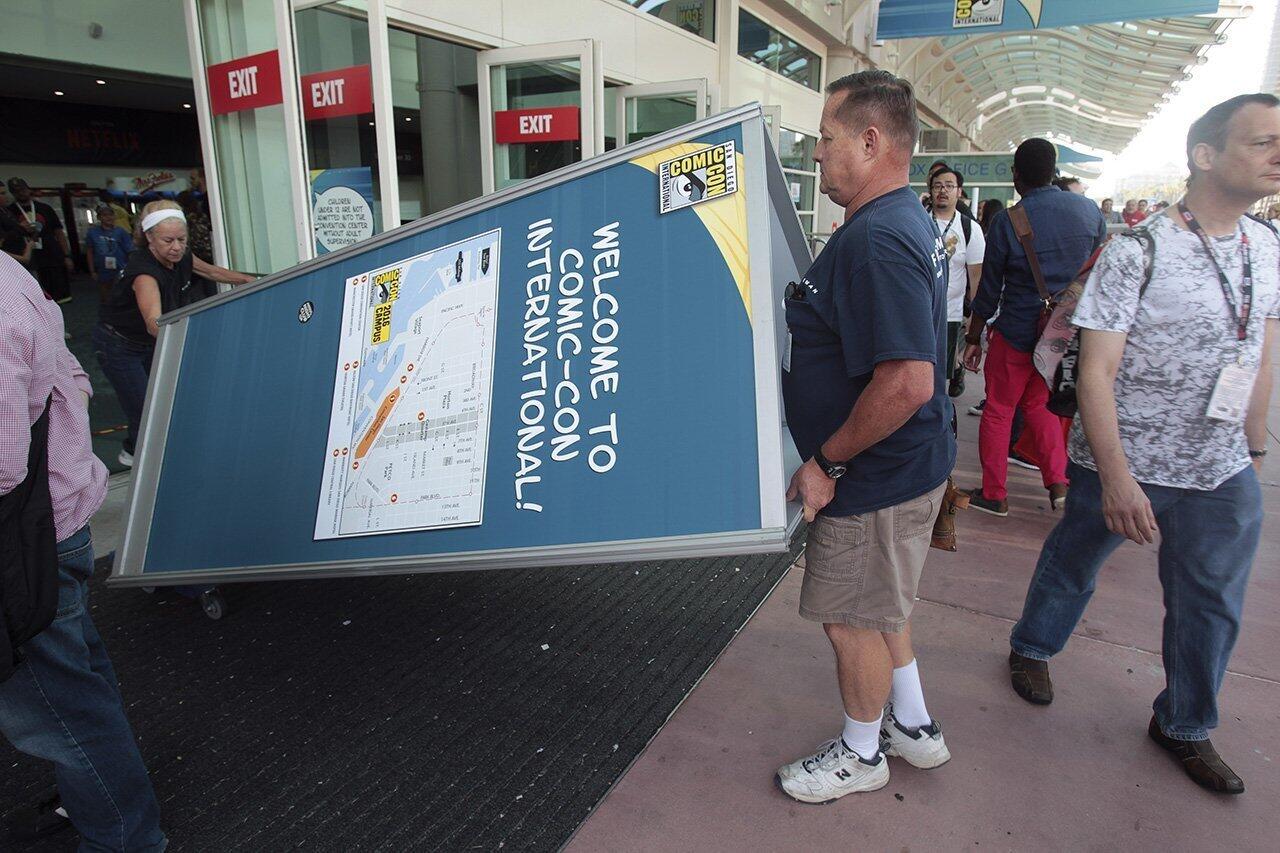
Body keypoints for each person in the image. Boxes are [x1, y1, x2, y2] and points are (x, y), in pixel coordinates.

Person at [1008, 93, 1280, 795]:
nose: (1277, 154)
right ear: (1206, 155)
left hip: (1219, 469)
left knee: (1211, 599)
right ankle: (1034, 645)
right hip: (1124, 460)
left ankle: (1185, 722)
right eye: (1261, 142)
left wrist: (1253, 449)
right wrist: (1121, 479)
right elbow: (1095, 370)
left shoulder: (1268, 246)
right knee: (1075, 559)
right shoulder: (1139, 248)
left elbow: (1261, 352)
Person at [776, 70, 955, 804]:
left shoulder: (879, 238)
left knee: (852, 617)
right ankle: (911, 724)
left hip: (874, 476)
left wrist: (824, 461)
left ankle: (861, 751)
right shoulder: (894, 221)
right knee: (888, 601)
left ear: (871, 140)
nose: (816, 153)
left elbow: (908, 381)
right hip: (904, 469)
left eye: (826, 136)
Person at [0, 250, 167, 850]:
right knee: (78, 683)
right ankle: (100, 802)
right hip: (55, 521)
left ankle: (123, 836)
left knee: (55, 709)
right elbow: (69, 376)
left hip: (24, 542)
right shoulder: (10, 273)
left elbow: (1, 463)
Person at [962, 138, 1106, 516]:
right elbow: (1097, 270)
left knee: (999, 410)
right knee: (1040, 406)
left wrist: (973, 338)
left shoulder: (1010, 220)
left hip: (1016, 331)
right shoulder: (1089, 211)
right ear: (1054, 170)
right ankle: (1058, 483)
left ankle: (994, 494)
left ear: (1015, 175)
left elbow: (988, 291)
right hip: (1061, 336)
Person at [93, 200, 251, 468]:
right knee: (145, 407)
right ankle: (137, 458)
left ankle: (154, 453)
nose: (176, 247)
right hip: (119, 345)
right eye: (168, 240)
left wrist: (250, 281)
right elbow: (155, 323)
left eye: (182, 239)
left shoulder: (181, 255)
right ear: (149, 238)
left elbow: (211, 271)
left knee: (166, 397)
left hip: (147, 343)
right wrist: (198, 337)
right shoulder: (144, 274)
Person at [929, 166, 984, 398]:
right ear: (930, 191)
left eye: (949, 186)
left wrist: (974, 317)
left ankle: (937, 420)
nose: (943, 190)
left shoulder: (970, 229)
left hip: (949, 314)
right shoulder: (918, 221)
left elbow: (976, 276)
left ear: (959, 191)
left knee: (939, 375)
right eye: (938, 185)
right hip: (917, 310)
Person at [6, 178, 74, 304]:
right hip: (28, 258)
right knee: (36, 298)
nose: (21, 193)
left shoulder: (45, 208)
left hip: (51, 256)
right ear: (13, 193)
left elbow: (59, 232)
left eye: (23, 190)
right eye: (17, 191)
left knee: (59, 296)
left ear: (29, 189)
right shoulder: (9, 212)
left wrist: (66, 255)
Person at [84, 204, 134, 302]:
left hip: (120, 268)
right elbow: (90, 252)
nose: (108, 217)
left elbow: (130, 251)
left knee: (122, 293)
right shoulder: (93, 232)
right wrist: (92, 271)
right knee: (105, 295)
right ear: (99, 217)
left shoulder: (121, 232)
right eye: (104, 215)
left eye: (110, 215)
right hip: (102, 270)